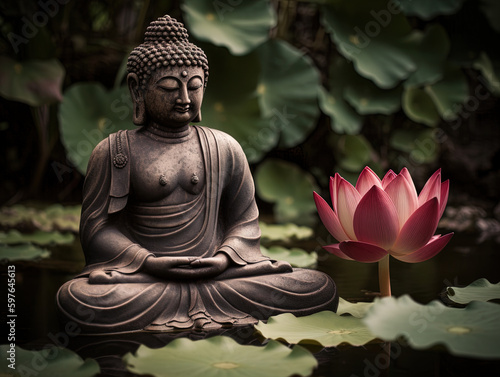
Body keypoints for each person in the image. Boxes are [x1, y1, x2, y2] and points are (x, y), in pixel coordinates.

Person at [57, 15, 338, 333]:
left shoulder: (225, 147)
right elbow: (96, 229)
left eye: (194, 86)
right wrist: (148, 262)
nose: (185, 99)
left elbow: (244, 223)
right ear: (138, 88)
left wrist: (224, 258)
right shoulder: (114, 151)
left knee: (316, 286)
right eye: (169, 87)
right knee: (78, 297)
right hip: (148, 279)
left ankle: (189, 304)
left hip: (218, 276)